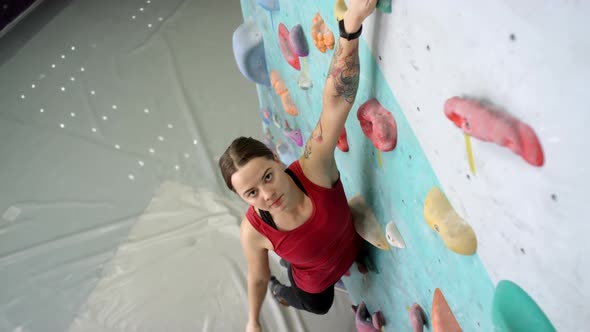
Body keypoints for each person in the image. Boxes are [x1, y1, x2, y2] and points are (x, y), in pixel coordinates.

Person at [218, 1, 377, 331]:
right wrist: (252, 321)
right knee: (319, 306)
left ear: (277, 160)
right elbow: (259, 278)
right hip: (312, 285)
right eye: (252, 193)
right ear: (244, 200)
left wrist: (350, 28)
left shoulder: (314, 166)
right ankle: (285, 292)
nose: (267, 194)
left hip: (348, 246)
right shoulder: (253, 232)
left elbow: (335, 101)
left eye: (267, 177)